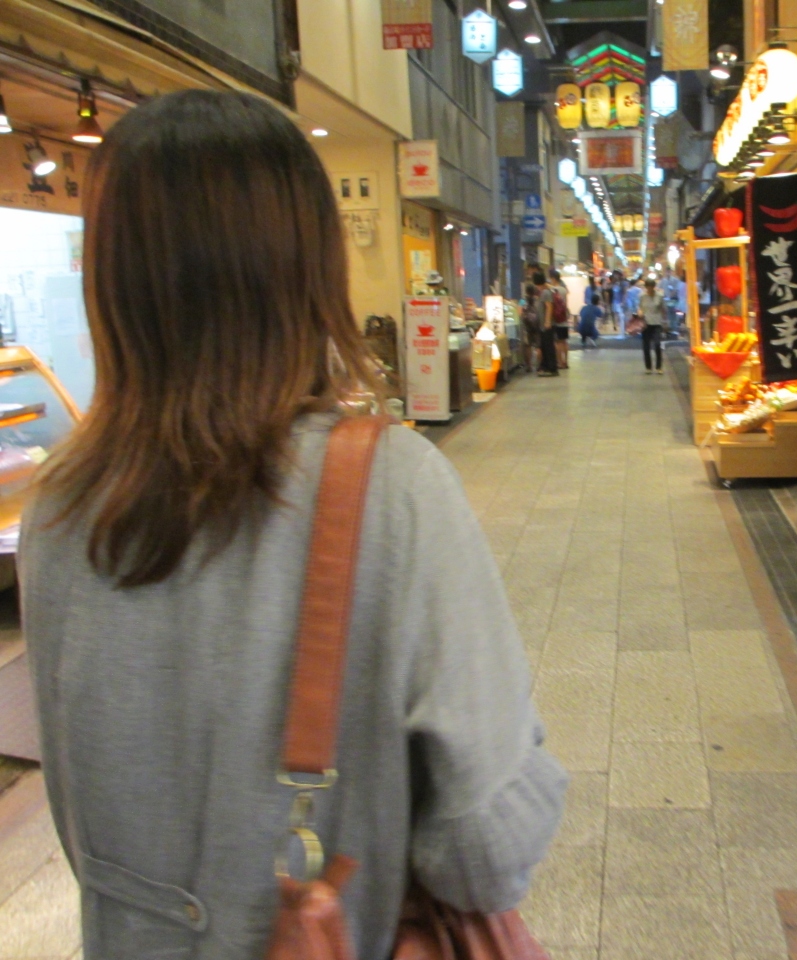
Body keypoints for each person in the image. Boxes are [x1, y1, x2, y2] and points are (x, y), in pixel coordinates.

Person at [20, 90, 565, 960]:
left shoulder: (59, 507)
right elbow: (484, 849)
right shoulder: (389, 485)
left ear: (111, 279)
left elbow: (80, 814)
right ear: (307, 266)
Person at [532, 269, 559, 377]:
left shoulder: (545, 292)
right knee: (545, 346)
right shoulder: (543, 292)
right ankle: (547, 367)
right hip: (543, 325)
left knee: (548, 347)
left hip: (546, 325)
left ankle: (552, 368)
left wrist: (547, 322)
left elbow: (549, 307)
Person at [638, 277, 667, 374]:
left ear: (654, 287)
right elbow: (640, 307)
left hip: (657, 322)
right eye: (648, 287)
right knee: (646, 346)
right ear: (646, 287)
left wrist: (665, 322)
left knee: (657, 344)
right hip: (645, 323)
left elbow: (663, 309)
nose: (650, 289)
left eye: (651, 287)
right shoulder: (642, 296)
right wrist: (640, 313)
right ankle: (648, 367)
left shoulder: (659, 296)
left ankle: (659, 367)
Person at [548, 268, 570, 369]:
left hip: (556, 318)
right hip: (564, 317)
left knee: (558, 342)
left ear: (553, 279)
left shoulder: (553, 290)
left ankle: (560, 362)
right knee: (564, 341)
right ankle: (566, 362)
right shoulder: (564, 290)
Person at [521, 281, 541, 371]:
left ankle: (528, 366)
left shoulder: (522, 301)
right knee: (538, 346)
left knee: (527, 346)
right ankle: (539, 365)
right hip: (537, 324)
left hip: (527, 325)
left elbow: (520, 313)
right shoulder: (538, 300)